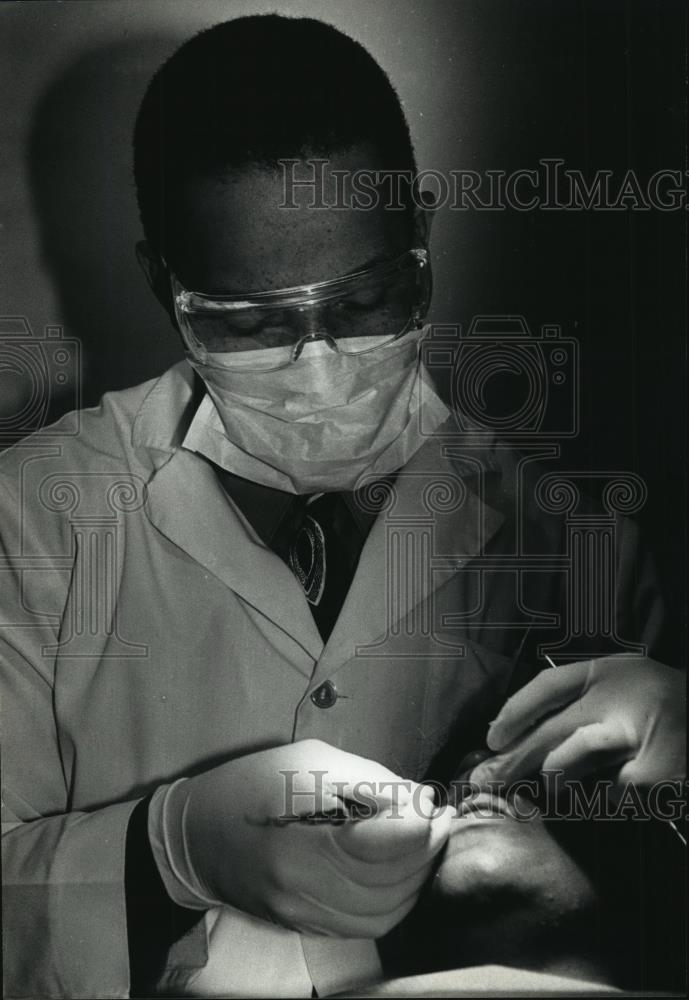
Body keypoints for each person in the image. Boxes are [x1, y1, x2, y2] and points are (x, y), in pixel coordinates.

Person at [1, 14, 684, 999]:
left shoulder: (572, 542)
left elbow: (628, 919)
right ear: (164, 284)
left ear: (421, 234)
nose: (319, 371)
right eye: (255, 323)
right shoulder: (30, 523)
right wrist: (165, 853)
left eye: (365, 303)